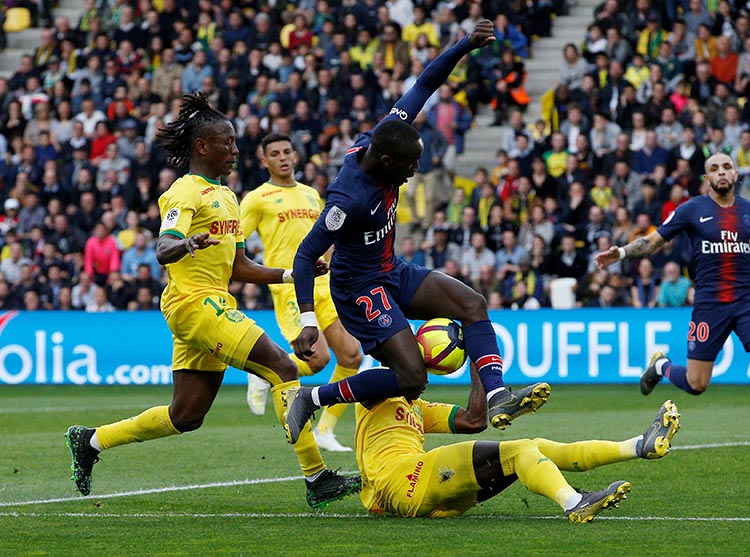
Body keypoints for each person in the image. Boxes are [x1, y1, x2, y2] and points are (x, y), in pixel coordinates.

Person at [65, 93, 361, 507]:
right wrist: (184, 243)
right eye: (227, 143)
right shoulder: (184, 191)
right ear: (202, 146)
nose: (235, 151)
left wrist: (294, 273)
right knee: (280, 366)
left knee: (186, 415)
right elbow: (164, 247)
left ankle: (91, 440)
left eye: (236, 143)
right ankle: (317, 478)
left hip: (209, 303)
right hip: (194, 303)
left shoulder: (226, 197)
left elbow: (240, 266)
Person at [284, 21, 544, 445]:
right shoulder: (346, 200)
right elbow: (303, 256)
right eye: (409, 165)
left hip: (392, 270)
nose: (414, 172)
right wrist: (309, 320)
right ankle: (313, 397)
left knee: (473, 304)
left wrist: (465, 45)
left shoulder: (388, 130)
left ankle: (496, 395)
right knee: (411, 378)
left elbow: (425, 83)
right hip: (358, 290)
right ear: (385, 160)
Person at [595, 153, 750, 452]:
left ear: (735, 174)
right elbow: (653, 242)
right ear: (706, 179)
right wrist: (622, 253)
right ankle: (661, 365)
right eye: (714, 168)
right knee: (696, 384)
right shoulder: (691, 209)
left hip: (747, 299)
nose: (721, 172)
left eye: (727, 167)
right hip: (709, 303)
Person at [354, 367, 681, 520]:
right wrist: (414, 355)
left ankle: (638, 445)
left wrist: (478, 367)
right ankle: (573, 502)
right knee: (519, 450)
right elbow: (372, 382)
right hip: (405, 480)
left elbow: (473, 420)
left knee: (533, 446)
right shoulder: (372, 393)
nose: (423, 378)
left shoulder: (417, 408)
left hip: (432, 496)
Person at [239, 133, 363, 453]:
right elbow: (234, 243)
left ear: (295, 156)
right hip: (291, 287)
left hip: (325, 284)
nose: (283, 157)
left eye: (287, 152)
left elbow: (328, 236)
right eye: (275, 153)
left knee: (351, 356)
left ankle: (325, 430)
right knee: (319, 358)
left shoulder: (311, 195)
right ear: (264, 161)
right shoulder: (256, 199)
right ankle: (266, 374)